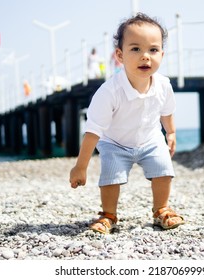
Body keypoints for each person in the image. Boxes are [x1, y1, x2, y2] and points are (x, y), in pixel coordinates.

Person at [69, 13, 184, 234]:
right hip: (114, 142)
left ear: (162, 53)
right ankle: (108, 215)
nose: (145, 57)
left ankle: (161, 209)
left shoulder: (163, 85)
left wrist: (170, 133)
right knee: (111, 177)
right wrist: (80, 166)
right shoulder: (110, 91)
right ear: (120, 55)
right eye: (135, 49)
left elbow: (167, 111)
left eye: (153, 50)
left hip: (150, 139)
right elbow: (93, 130)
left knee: (163, 170)